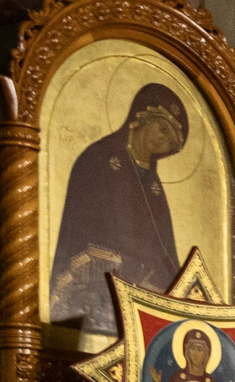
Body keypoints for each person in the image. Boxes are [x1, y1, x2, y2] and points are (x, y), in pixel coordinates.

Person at [49, 82, 190, 336]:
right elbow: (81, 230)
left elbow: (164, 249)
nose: (163, 140)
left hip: (137, 288)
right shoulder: (99, 158)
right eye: (162, 128)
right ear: (141, 117)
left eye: (171, 141)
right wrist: (129, 262)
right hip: (95, 280)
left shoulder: (154, 187)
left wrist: (182, 288)